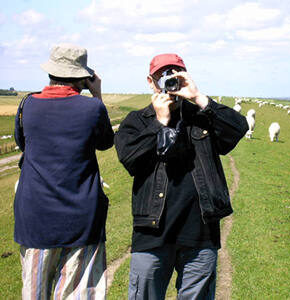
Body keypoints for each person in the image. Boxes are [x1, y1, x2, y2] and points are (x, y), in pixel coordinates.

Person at [114, 53, 248, 299]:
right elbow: (129, 158)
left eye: (174, 75)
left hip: (200, 235)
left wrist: (198, 97)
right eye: (161, 76)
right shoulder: (137, 121)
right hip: (151, 235)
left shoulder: (201, 116)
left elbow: (238, 128)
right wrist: (160, 123)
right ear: (150, 81)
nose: (168, 81)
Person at [14, 44, 114, 299]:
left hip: (35, 215)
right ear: (83, 78)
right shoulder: (92, 109)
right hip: (81, 217)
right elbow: (105, 142)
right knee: (78, 291)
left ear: (51, 72)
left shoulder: (27, 105)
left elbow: (23, 144)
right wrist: (97, 95)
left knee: (35, 290)